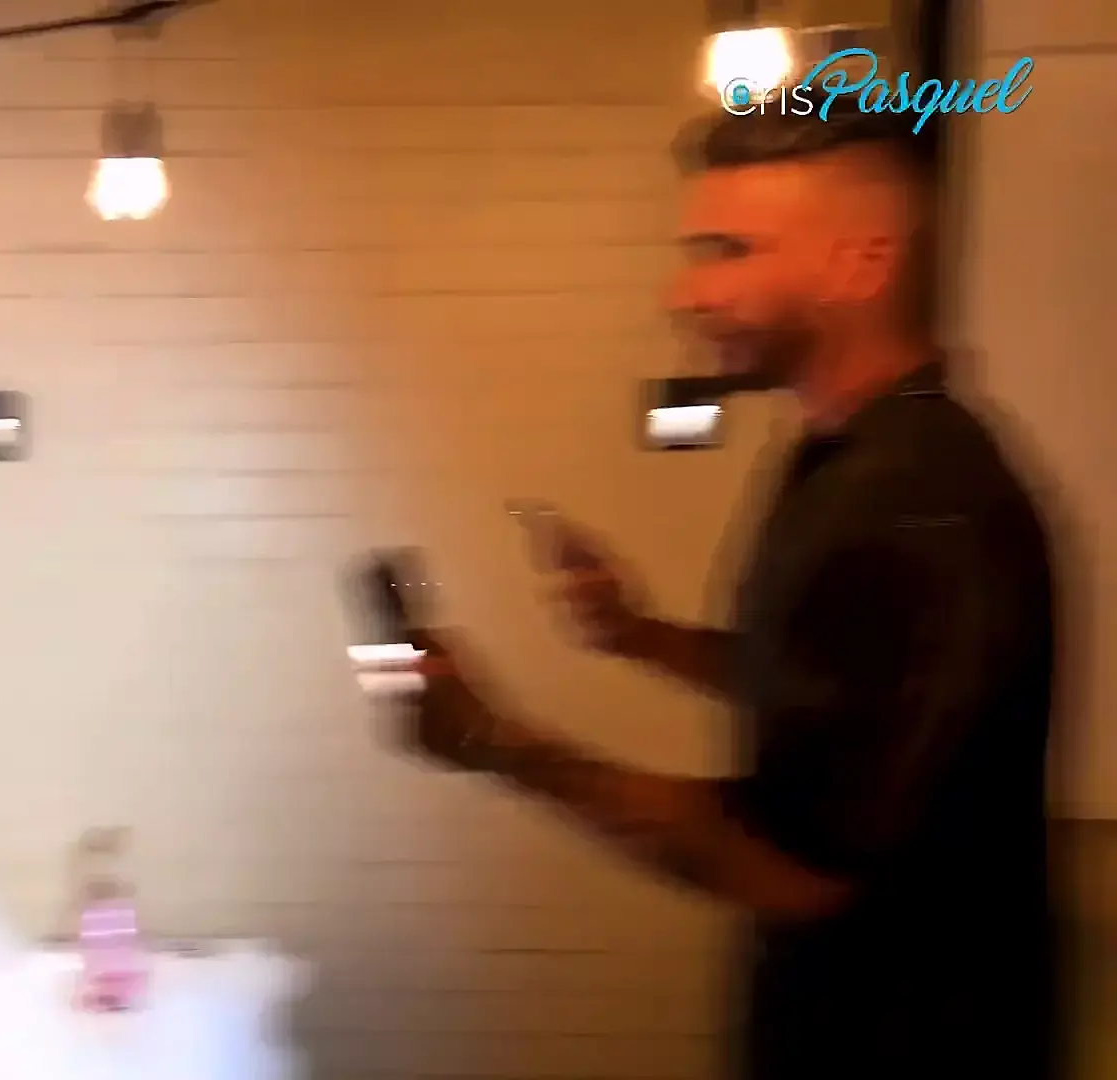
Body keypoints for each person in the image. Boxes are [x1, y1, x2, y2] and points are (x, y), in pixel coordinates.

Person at [380, 110, 1061, 1078]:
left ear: (862, 263)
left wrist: (497, 742)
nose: (685, 293)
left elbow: (789, 868)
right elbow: (828, 689)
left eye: (728, 252)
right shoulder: (844, 459)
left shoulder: (913, 503)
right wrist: (640, 634)